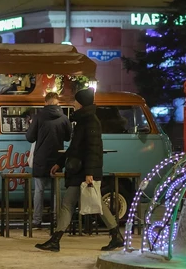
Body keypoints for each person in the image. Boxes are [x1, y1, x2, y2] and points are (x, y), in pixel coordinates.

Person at [36, 88, 124, 252]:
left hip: (84, 171)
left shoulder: (90, 122)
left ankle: (55, 240)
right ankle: (116, 235)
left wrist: (89, 173)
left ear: (82, 103)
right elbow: (75, 147)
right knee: (95, 204)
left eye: (76, 101)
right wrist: (60, 163)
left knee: (69, 204)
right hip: (81, 170)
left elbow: (93, 149)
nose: (73, 103)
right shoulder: (85, 120)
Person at [25, 91, 72, 229]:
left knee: (39, 191)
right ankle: (57, 219)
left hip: (41, 159)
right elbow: (68, 137)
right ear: (58, 102)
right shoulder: (63, 118)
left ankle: (37, 220)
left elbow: (30, 137)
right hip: (57, 159)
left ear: (45, 102)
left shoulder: (38, 117)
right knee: (56, 191)